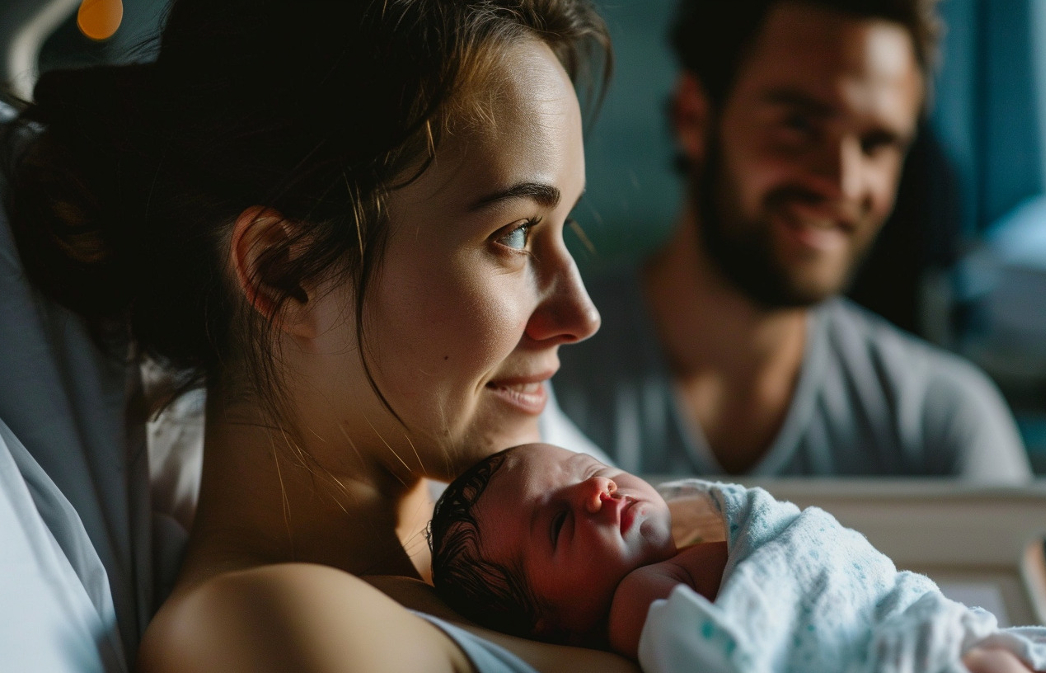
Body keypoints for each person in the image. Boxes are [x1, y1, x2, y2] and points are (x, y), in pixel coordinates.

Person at [1, 1, 653, 671]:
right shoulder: (258, 633)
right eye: (513, 234)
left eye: (563, 228)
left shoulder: (574, 557)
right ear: (287, 272)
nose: (582, 314)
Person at [553, 0, 1031, 480]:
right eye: (799, 125)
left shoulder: (943, 428)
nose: (842, 181)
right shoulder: (542, 381)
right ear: (693, 116)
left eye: (876, 144)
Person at [427, 443, 1046, 672]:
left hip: (916, 614)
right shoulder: (639, 600)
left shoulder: (710, 532)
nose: (597, 493)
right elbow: (718, 660)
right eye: (556, 523)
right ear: (547, 621)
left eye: (585, 467)